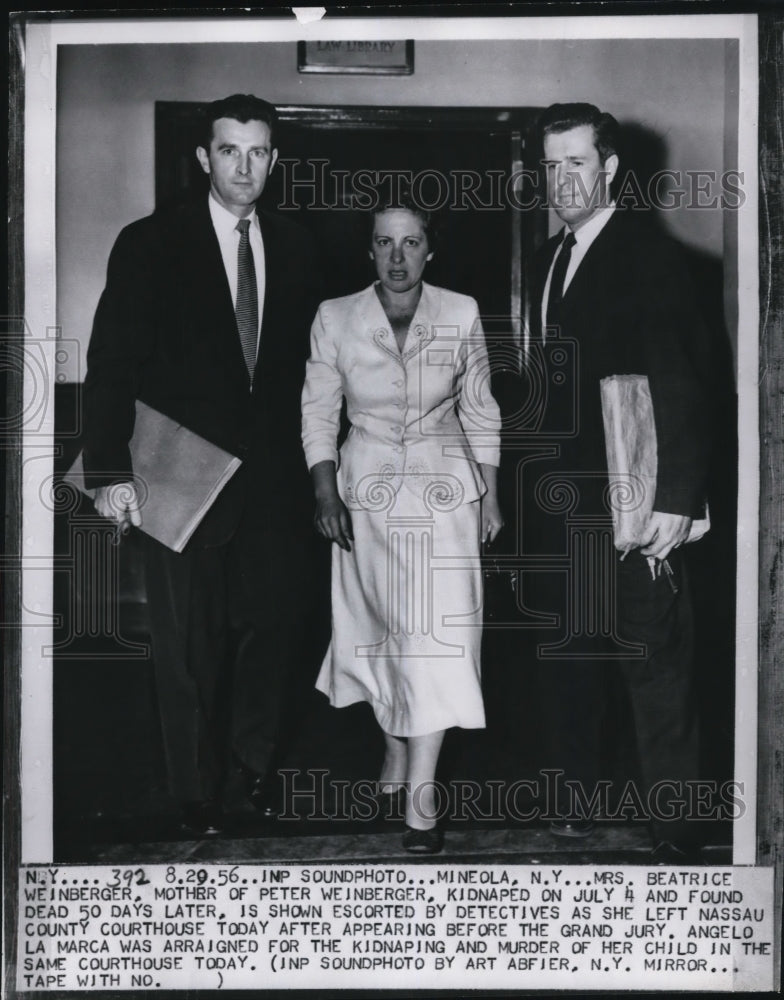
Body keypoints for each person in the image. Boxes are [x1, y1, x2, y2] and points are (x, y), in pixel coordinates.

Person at [82, 94, 322, 836]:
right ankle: (195, 794)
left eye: (258, 153)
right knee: (187, 648)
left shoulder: (303, 246)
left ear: (274, 161)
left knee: (272, 637)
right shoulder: (151, 242)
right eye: (229, 151)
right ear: (203, 158)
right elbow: (111, 363)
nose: (244, 167)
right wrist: (108, 472)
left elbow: (317, 371)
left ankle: (250, 781)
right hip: (180, 479)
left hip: (276, 489)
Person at [526, 103, 711, 861]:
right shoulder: (548, 259)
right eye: (550, 165)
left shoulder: (650, 256)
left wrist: (678, 497)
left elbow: (684, 381)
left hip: (638, 499)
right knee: (572, 656)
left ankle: (677, 829)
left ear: (608, 170)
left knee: (654, 663)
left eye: (576, 163)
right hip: (566, 506)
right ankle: (573, 798)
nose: (561, 179)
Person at [301, 194, 503, 854]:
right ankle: (393, 746)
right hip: (365, 499)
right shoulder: (335, 317)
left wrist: (492, 496)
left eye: (410, 242)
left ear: (430, 249)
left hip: (446, 494)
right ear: (369, 249)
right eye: (384, 243)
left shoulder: (462, 311)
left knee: (438, 636)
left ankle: (422, 792)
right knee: (381, 633)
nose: (397, 256)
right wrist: (326, 493)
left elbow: (480, 409)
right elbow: (318, 413)